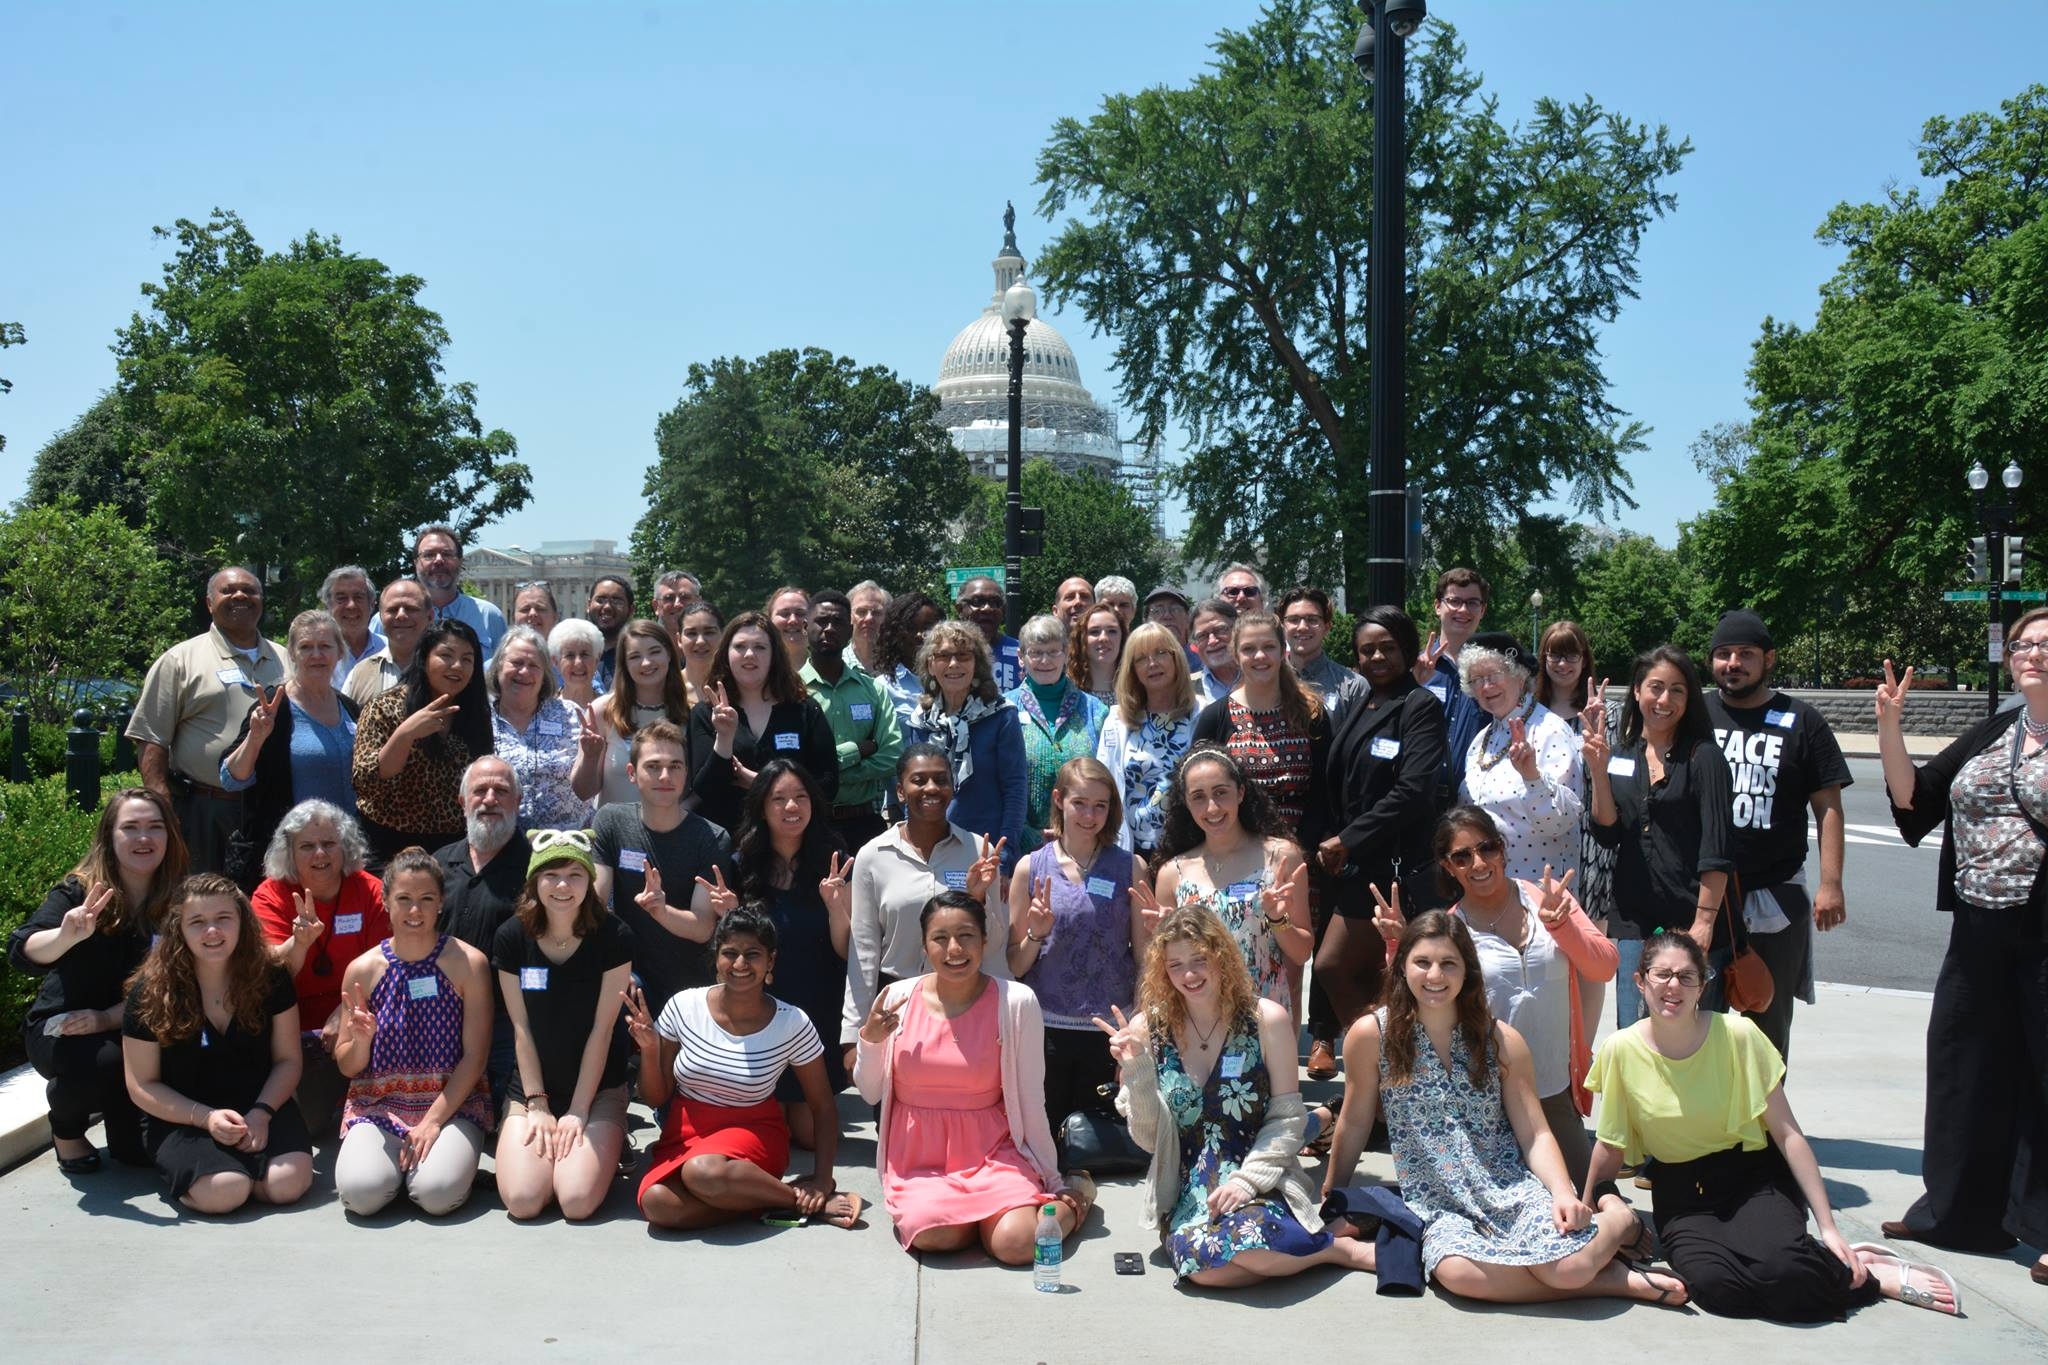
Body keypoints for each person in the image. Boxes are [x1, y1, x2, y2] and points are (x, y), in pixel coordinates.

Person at [1590, 931, 1958, 1318]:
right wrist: (1584, 1215)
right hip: (1680, 1194)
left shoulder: (1738, 1036)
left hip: (1751, 1179)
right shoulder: (1622, 1049)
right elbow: (1610, 1145)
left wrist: (1828, 1226)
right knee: (1717, 1290)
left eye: (1686, 977)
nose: (1673, 986)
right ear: (1640, 981)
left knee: (1783, 1272)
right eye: (1661, 974)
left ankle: (1870, 1276)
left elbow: (1788, 1135)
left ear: (1702, 986)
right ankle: (1823, 1263)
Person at [1323, 912, 1681, 1307]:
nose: (1435, 975)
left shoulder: (1501, 1041)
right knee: (1458, 1275)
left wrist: (1563, 1192)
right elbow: (1354, 1120)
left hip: (1509, 1186)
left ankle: (1616, 1219)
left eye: (1449, 963)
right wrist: (1332, 1193)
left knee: (1567, 1267)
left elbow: (1535, 1133)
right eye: (1422, 962)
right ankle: (1611, 1280)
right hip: (1437, 1202)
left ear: (1467, 971)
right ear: (1402, 966)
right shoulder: (1371, 1035)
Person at [1873, 609, 2048, 1280]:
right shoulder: (1997, 727)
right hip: (1976, 926)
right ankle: (1957, 1213)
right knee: (1962, 1066)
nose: (2033, 652)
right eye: (2025, 643)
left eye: (2046, 644)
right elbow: (1915, 799)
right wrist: (1890, 726)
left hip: (2043, 931)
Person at [1099, 904, 1371, 1286]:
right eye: (1175, 965)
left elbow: (1287, 1119)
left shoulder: (1266, 1019)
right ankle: (1327, 1246)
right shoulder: (1147, 1029)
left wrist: (1247, 1181)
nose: (1189, 975)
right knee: (1206, 1269)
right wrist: (1138, 1072)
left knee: (1250, 1241)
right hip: (1190, 1191)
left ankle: (1338, 1250)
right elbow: (1148, 1140)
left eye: (1199, 959)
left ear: (1222, 957)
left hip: (1261, 1175)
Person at [1373, 807, 1617, 1189]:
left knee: (1592, 1199)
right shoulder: (1452, 928)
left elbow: (1604, 968)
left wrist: (1561, 926)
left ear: (1503, 851)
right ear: (1448, 866)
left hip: (1553, 1088)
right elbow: (1420, 998)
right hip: (1484, 1094)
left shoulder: (1545, 899)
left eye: (1486, 848)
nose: (1478, 863)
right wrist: (1396, 947)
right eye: (1462, 856)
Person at [855, 890, 1089, 1259]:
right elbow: (869, 1093)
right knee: (934, 1236)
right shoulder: (895, 997)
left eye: (966, 936)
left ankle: (1077, 1201)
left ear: (985, 940)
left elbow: (1030, 1098)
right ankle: (977, 1221)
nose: (954, 949)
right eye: (940, 938)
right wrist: (870, 1040)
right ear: (923, 945)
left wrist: (1053, 1176)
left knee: (1016, 1245)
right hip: (919, 1159)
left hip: (993, 1151)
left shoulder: (1016, 1002)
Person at [627, 908, 863, 1230]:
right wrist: (650, 1048)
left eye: (752, 954)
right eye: (730, 954)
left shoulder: (791, 1022)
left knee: (702, 1172)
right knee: (658, 1205)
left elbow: (822, 1107)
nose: (740, 964)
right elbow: (657, 1097)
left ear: (771, 962)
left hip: (753, 1133)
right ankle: (784, 1200)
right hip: (684, 1133)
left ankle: (795, 1199)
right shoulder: (683, 1007)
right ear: (716, 959)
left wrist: (822, 1180)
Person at [10, 788, 188, 1173]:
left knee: (133, 1154)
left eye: (155, 827)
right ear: (110, 836)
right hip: (66, 1026)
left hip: (136, 1025)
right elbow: (22, 950)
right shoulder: (79, 890)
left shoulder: (179, 898)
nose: (144, 838)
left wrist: (107, 1017)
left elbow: (181, 981)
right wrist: (65, 935)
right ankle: (67, 1130)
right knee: (105, 1059)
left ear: (169, 836)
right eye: (131, 828)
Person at [1704, 609, 1851, 1063]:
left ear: (1768, 659)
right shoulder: (1696, 712)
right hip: (1705, 895)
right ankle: (1704, 1132)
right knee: (1697, 1024)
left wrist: (1830, 884)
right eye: (1723, 654)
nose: (1733, 663)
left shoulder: (1803, 720)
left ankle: (1763, 1134)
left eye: (1745, 654)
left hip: (1776, 895)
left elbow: (1827, 806)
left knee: (1766, 1029)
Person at [121, 873, 314, 1214]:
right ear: (179, 928)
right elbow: (140, 1085)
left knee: (288, 1184)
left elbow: (288, 1060)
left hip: (259, 1104)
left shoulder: (272, 976)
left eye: (223, 918)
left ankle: (235, 1172)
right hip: (184, 1115)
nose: (212, 931)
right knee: (226, 1191)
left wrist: (261, 1114)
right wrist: (206, 1118)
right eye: (198, 922)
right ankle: (214, 1175)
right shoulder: (150, 991)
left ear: (242, 921)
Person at [331, 847, 493, 1217]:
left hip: (451, 1106)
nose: (415, 911)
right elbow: (347, 1066)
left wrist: (433, 1121)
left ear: (441, 903)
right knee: (362, 1195)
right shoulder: (362, 969)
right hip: (379, 1105)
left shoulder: (468, 963)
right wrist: (360, 1040)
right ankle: (394, 1172)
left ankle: (435, 1171)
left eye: (426, 899)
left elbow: (476, 1056)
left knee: (436, 1194)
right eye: (404, 899)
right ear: (386, 902)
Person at [1007, 757, 1155, 1140]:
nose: (1089, 815)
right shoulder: (1030, 868)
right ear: (1059, 800)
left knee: (1099, 1145)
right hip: (1048, 1027)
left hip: (1109, 1027)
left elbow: (1144, 957)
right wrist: (1036, 934)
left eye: (1100, 806)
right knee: (1048, 1138)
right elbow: (1016, 965)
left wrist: (1140, 1028)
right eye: (1080, 803)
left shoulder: (1131, 867)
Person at [492, 829, 637, 1221]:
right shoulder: (510, 938)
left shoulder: (615, 937)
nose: (562, 885)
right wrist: (536, 1103)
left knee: (575, 1200)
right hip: (533, 1087)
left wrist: (577, 1109)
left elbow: (602, 1031)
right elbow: (520, 1027)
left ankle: (608, 1136)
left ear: (589, 882)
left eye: (575, 874)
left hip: (596, 1087)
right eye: (551, 874)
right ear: (534, 881)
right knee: (523, 1201)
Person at [1584, 647, 1734, 1026]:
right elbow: (1606, 832)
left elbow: (1717, 848)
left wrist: (1704, 923)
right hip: (1634, 919)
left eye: (1677, 690)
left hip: (1690, 919)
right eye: (1655, 687)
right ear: (1637, 691)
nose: (1664, 700)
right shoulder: (1620, 754)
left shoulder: (1704, 758)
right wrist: (1599, 773)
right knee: (1634, 1034)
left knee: (1693, 1038)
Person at [1317, 606, 1446, 1034]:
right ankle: (1383, 1064)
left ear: (1407, 649)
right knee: (1366, 975)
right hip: (1356, 865)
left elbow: (1413, 791)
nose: (1376, 658)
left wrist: (1348, 839)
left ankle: (1385, 1058)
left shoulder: (1419, 705)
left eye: (1387, 648)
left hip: (1395, 865)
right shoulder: (1365, 701)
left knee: (1338, 966)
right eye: (1367, 650)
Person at [842, 745, 1008, 1058]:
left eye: (941, 780)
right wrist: (855, 1034)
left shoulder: (979, 852)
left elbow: (995, 945)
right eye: (919, 780)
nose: (931, 788)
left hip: (966, 1005)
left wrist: (978, 897)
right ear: (900, 792)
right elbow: (863, 950)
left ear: (952, 787)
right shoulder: (873, 856)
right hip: (896, 1007)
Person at [127, 566, 286, 873]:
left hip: (269, 807)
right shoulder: (179, 660)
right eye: (228, 591)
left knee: (261, 902)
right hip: (203, 809)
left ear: (261, 601)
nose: (240, 595)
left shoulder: (287, 658)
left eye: (250, 591)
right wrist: (163, 811)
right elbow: (151, 739)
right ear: (209, 603)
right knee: (199, 902)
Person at [249, 799, 390, 1136]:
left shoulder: (370, 890)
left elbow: (386, 963)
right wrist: (298, 943)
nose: (320, 855)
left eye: (329, 844)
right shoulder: (270, 896)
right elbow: (271, 976)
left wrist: (347, 1010)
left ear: (345, 847)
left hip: (357, 1016)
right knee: (310, 1125)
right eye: (307, 846)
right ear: (290, 853)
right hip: (292, 1026)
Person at [734, 761, 854, 1118]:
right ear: (761, 807)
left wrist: (836, 908)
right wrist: (729, 913)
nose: (791, 807)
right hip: (761, 1006)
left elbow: (847, 949)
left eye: (801, 797)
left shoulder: (835, 860)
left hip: (817, 1005)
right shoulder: (742, 863)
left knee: (807, 1134)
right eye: (779, 798)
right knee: (767, 1125)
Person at [593, 721, 739, 1014]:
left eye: (675, 766)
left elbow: (701, 927)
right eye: (653, 766)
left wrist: (660, 910)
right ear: (632, 773)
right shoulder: (610, 821)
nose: (665, 776)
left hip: (692, 989)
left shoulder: (711, 837)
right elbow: (594, 904)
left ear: (687, 773)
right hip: (630, 980)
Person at [1152, 746, 1311, 1011]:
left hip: (1263, 1017)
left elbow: (1302, 953)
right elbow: (1163, 968)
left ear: (1240, 792)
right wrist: (1157, 938)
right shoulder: (1171, 874)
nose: (1212, 807)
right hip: (1198, 1021)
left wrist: (1277, 919)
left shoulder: (1280, 858)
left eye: (1220, 792)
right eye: (1198, 797)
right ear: (1187, 804)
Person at [219, 609, 362, 889]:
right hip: (288, 863)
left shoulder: (349, 708)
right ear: (293, 654)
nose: (316, 655)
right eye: (306, 647)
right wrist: (256, 738)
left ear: (339, 652)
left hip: (343, 857)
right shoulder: (275, 706)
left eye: (325, 646)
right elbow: (230, 777)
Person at [433, 756, 533, 1113]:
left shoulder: (539, 869)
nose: (490, 798)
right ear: (462, 802)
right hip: (438, 1018)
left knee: (508, 1117)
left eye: (502, 791)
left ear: (518, 802)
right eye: (480, 790)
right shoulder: (437, 865)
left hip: (509, 1022)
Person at [352, 619, 494, 864]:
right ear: (424, 658)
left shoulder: (475, 714)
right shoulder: (385, 707)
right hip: (388, 845)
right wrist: (405, 734)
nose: (457, 666)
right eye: (446, 655)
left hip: (454, 847)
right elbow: (365, 780)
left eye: (467, 659)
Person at [1193, 608, 1332, 857]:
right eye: (1248, 649)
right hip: (1236, 856)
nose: (1260, 656)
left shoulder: (1311, 713)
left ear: (1283, 651)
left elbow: (1324, 789)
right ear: (1235, 655)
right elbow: (1199, 790)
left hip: (1302, 854)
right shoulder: (1215, 717)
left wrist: (1299, 850)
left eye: (1268, 647)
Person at [688, 610, 840, 835]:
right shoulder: (706, 713)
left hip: (792, 842)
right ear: (726, 654)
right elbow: (704, 791)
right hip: (727, 844)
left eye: (760, 647)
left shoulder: (804, 709)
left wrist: (766, 784)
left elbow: (829, 784)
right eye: (740, 647)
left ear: (774, 655)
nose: (749, 654)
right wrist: (724, 739)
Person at [1535, 620, 1613, 1048]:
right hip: (1541, 845)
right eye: (1554, 654)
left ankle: (1581, 1051)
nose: (1562, 663)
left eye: (1571, 654)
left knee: (1588, 952)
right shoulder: (1529, 711)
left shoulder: (1604, 713)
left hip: (1589, 848)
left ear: (1585, 660)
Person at [1456, 631, 1584, 884]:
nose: (1486, 686)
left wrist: (1532, 777)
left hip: (1537, 894)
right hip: (1486, 889)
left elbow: (1563, 821)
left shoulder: (1550, 731)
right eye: (1477, 679)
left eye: (1493, 675)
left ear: (1519, 676)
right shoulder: (1480, 740)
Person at [908, 621, 1026, 876]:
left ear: (977, 664)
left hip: (987, 851)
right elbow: (912, 790)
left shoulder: (1001, 716)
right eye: (943, 656)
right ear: (930, 664)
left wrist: (1004, 855)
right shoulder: (920, 721)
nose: (953, 664)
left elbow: (1015, 789)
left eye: (963, 656)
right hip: (932, 849)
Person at [802, 589, 902, 852]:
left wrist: (828, 773)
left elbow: (892, 756)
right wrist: (858, 751)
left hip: (865, 824)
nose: (829, 628)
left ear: (850, 629)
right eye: (821, 621)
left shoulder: (873, 690)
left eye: (837, 622)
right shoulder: (790, 692)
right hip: (808, 824)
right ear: (805, 627)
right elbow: (795, 763)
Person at [1094, 622, 1200, 856]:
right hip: (1130, 852)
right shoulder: (1116, 720)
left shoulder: (1201, 713)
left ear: (1176, 659)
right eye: (1141, 658)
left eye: (1161, 653)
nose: (1152, 663)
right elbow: (1103, 785)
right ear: (1132, 669)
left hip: (1191, 850)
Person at [1008, 613, 1108, 853]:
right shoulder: (1004, 711)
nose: (1045, 660)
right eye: (1036, 652)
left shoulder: (1096, 711)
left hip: (1087, 844)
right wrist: (1027, 835)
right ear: (1021, 657)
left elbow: (1108, 781)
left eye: (1053, 652)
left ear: (1066, 653)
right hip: (1023, 850)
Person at [490, 624, 603, 831]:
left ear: (544, 675)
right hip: (502, 843)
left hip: (565, 843)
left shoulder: (569, 715)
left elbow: (586, 791)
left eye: (534, 666)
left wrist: (591, 756)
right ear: (498, 666)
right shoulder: (481, 719)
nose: (524, 671)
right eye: (516, 663)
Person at [593, 618, 691, 808]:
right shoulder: (602, 711)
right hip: (615, 832)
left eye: (654, 652)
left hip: (671, 831)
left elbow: (696, 787)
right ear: (624, 664)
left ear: (669, 654)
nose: (646, 663)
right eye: (635, 656)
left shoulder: (689, 712)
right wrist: (589, 756)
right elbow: (583, 790)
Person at [1414, 567, 1490, 799]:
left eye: (1472, 603)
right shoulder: (1415, 668)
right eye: (1454, 601)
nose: (1463, 610)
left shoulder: (1495, 674)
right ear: (1438, 606)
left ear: (1482, 610)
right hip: (1419, 799)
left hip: (1475, 801)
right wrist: (1411, 685)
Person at [413, 524, 508, 658]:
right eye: (429, 555)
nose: (439, 560)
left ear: (460, 562)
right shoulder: (391, 618)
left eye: (447, 554)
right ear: (416, 562)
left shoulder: (489, 616)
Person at [1279, 586, 1367, 724]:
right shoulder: (1270, 680)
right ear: (1283, 626)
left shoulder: (1352, 687)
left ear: (1326, 627)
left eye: (1312, 619)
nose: (1302, 627)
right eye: (1294, 619)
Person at [345, 578, 430, 706]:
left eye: (411, 608)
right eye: (392, 609)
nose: (401, 615)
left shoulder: (447, 670)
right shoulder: (360, 674)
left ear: (430, 616)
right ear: (381, 617)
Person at [874, 591, 942, 741]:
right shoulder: (883, 687)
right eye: (911, 627)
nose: (920, 635)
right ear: (896, 633)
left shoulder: (955, 679)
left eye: (928, 628)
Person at [953, 574, 1020, 691]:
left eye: (995, 602)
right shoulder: (946, 653)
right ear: (960, 609)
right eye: (977, 601)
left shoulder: (1023, 652)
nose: (987, 608)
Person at [318, 565, 382, 680]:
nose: (351, 605)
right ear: (327, 605)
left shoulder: (390, 650)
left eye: (358, 597)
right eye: (341, 598)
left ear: (372, 603)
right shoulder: (316, 657)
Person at [1068, 602, 1126, 706]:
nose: (1103, 638)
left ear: (1122, 638)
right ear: (1082, 639)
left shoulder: (1136, 691)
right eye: (1094, 632)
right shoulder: (1067, 690)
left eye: (1112, 631)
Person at [585, 576, 634, 693]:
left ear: (631, 610)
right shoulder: (573, 655)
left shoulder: (639, 656)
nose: (607, 607)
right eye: (600, 600)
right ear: (588, 605)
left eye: (616, 601)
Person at [1189, 597, 1240, 705]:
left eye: (1220, 630)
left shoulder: (1261, 675)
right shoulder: (1185, 689)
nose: (1212, 641)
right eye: (1202, 636)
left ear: (1238, 629)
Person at [675, 600, 724, 707]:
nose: (700, 641)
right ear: (679, 640)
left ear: (723, 637)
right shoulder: (667, 688)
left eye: (709, 632)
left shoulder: (737, 686)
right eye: (691, 633)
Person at [548, 618, 604, 708]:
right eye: (569, 655)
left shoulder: (612, 711)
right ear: (556, 662)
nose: (578, 663)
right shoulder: (544, 711)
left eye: (585, 654)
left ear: (597, 659)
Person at [846, 580, 891, 674]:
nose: (869, 618)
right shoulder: (835, 664)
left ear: (887, 619)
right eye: (861, 612)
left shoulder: (898, 668)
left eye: (877, 613)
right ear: (848, 616)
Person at [767, 586, 812, 671]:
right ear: (769, 621)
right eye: (784, 614)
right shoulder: (756, 671)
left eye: (800, 613)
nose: (793, 620)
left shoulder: (830, 670)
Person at [654, 570, 701, 648]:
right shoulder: (642, 649)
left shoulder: (716, 651)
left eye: (685, 597)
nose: (677, 604)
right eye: (669, 598)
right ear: (656, 606)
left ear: (698, 603)